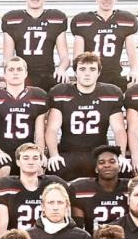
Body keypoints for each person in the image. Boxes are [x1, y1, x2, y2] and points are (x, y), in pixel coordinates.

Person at [44, 52, 127, 180]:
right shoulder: (61, 92)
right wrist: (54, 155)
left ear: (98, 73)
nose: (87, 73)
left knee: (124, 170)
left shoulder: (111, 93)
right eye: (82, 69)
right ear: (75, 72)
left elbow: (119, 129)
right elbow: (52, 129)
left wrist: (121, 156)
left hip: (99, 153)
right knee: (52, 172)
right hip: (68, 151)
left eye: (92, 69)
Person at [70, 0, 138, 91]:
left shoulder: (127, 20)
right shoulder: (82, 20)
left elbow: (132, 51)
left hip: (114, 74)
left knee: (135, 87)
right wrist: (80, 74)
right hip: (91, 73)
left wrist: (134, 70)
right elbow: (78, 55)